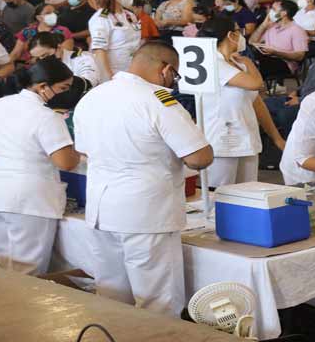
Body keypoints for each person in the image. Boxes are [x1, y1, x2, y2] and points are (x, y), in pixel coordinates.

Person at [74, 42, 213, 316]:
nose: (174, 82)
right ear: (166, 70)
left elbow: (83, 150)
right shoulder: (158, 100)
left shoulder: (92, 97)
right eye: (175, 76)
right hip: (146, 215)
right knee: (158, 301)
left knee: (112, 297)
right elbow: (199, 158)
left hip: (102, 211)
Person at [0, 58, 80, 276]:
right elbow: (66, 163)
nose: (64, 93)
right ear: (43, 86)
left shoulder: (1, 104)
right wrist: (80, 151)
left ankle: (3, 310)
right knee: (28, 275)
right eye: (63, 88)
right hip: (29, 201)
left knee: (4, 269)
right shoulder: (47, 117)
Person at [191, 17, 284, 188]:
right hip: (221, 142)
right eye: (238, 32)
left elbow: (257, 102)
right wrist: (249, 62)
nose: (242, 37)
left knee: (247, 196)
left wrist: (276, 138)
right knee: (219, 197)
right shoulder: (213, 63)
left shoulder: (236, 64)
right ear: (231, 35)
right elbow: (256, 84)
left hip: (246, 139)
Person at [86, 0, 142, 83]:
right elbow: (99, 51)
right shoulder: (101, 18)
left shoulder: (129, 15)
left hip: (133, 69)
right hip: (115, 72)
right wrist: (109, 78)